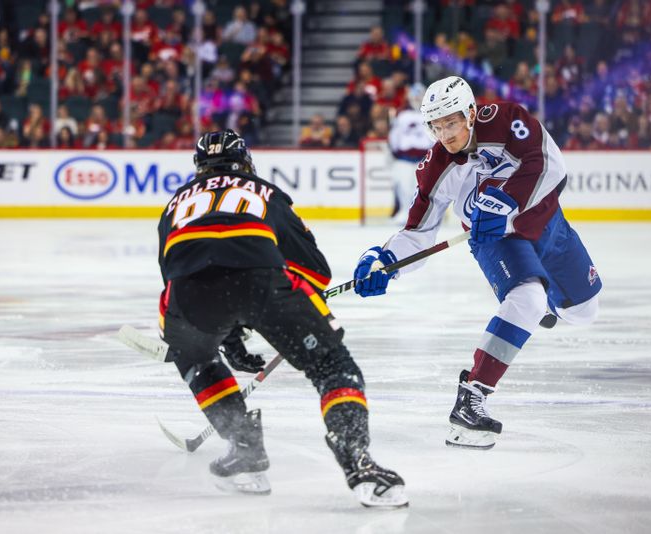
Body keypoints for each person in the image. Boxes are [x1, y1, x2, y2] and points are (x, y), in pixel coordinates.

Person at [157, 129, 407, 507]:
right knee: (332, 366)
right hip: (261, 282)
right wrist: (295, 316)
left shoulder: (175, 203)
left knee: (194, 355)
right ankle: (359, 462)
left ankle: (244, 447)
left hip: (188, 296)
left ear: (198, 168)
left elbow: (178, 272)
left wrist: (227, 336)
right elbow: (314, 270)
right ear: (246, 163)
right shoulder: (263, 191)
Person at [353, 76, 602, 450]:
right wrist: (385, 259)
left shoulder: (507, 122)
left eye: (450, 122)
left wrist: (508, 201)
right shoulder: (437, 166)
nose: (445, 134)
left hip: (549, 225)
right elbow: (418, 233)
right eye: (435, 126)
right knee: (528, 300)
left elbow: (550, 165)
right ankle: (472, 397)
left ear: (470, 113)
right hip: (498, 242)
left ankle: (540, 306)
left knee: (584, 312)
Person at [388, 83, 436, 220]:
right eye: (415, 96)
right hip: (404, 158)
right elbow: (395, 135)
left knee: (423, 188)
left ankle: (423, 214)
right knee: (403, 186)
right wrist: (396, 152)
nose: (417, 99)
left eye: (420, 96)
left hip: (424, 158)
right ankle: (404, 211)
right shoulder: (402, 115)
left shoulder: (430, 115)